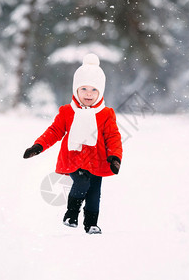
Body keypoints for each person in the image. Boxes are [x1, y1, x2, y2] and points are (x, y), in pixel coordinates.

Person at [23, 53, 123, 234]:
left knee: (94, 192)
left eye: (94, 90)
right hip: (74, 160)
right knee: (82, 182)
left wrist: (114, 157)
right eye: (84, 89)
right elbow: (54, 131)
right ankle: (71, 214)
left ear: (100, 91)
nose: (88, 94)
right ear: (76, 89)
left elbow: (113, 137)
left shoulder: (106, 114)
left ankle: (91, 223)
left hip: (98, 161)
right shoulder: (67, 111)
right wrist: (38, 146)